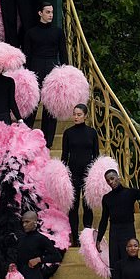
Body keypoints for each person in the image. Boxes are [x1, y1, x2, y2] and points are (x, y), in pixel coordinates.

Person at [23, 2, 68, 148]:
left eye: (52, 12)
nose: (51, 15)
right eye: (47, 12)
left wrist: (65, 72)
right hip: (35, 67)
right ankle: (26, 139)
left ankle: (47, 143)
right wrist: (26, 74)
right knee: (32, 103)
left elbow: (63, 53)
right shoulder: (31, 33)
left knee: (51, 106)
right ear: (40, 13)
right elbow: (27, 55)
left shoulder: (58, 32)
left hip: (52, 68)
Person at [96, 170, 140, 276]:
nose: (110, 182)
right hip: (114, 231)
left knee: (129, 261)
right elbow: (104, 219)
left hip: (128, 229)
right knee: (115, 263)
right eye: (107, 181)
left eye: (112, 178)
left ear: (118, 178)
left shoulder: (130, 193)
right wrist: (99, 239)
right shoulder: (107, 198)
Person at [61, 104, 99, 246]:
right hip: (73, 173)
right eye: (74, 114)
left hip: (88, 174)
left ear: (85, 116)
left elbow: (96, 155)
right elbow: (64, 155)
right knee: (74, 205)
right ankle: (75, 237)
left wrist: (95, 174)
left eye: (79, 114)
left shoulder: (92, 133)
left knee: (87, 205)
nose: (75, 117)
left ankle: (87, 236)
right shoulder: (68, 133)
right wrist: (64, 173)